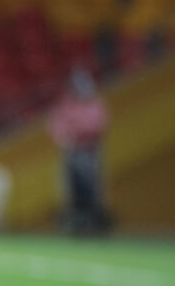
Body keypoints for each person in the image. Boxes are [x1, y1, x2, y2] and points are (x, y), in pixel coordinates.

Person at [48, 67, 111, 235]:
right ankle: (75, 224)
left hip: (90, 151)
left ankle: (94, 223)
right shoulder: (66, 105)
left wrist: (79, 132)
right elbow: (57, 126)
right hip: (72, 152)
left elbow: (98, 125)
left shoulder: (95, 104)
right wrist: (67, 138)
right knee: (71, 189)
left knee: (93, 188)